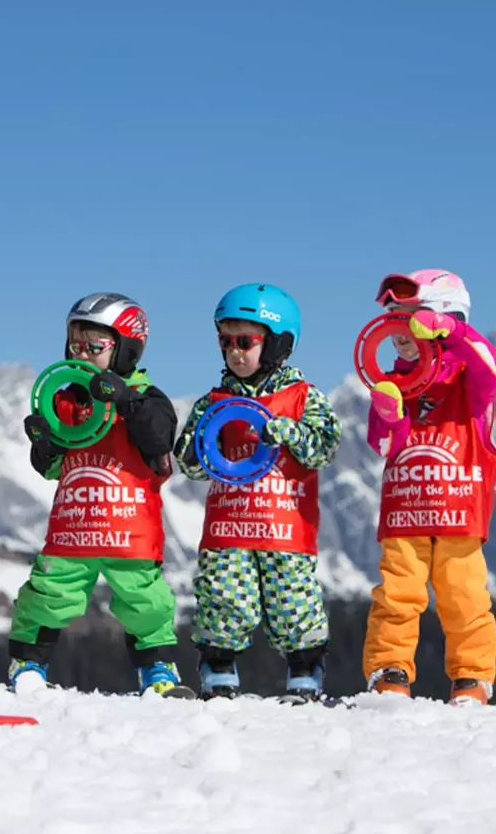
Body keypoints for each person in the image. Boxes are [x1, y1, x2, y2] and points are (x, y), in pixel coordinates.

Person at [11, 293, 192, 697]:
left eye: (95, 347)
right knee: (46, 595)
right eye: (76, 344)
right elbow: (51, 468)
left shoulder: (148, 399)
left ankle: (158, 671)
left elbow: (159, 437)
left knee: (148, 602)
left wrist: (124, 398)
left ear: (127, 349)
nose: (83, 354)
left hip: (129, 535)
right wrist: (44, 442)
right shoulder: (66, 401)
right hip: (72, 531)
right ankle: (27, 664)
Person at [173, 284, 342, 702]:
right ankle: (218, 665)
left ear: (278, 343)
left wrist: (289, 432)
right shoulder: (214, 401)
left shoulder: (303, 398)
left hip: (285, 528)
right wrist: (196, 446)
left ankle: (305, 668)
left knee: (293, 602)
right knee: (223, 597)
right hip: (229, 527)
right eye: (225, 341)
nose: (234, 351)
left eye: (245, 341)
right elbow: (189, 464)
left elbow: (325, 447)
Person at [363, 268, 496, 706]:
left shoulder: (470, 381)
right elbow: (385, 445)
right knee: (396, 595)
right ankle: (388, 669)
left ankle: (472, 676)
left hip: (460, 512)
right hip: (405, 513)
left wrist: (456, 333)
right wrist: (389, 412)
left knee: (464, 595)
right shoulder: (393, 380)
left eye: (408, 318)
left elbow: (493, 368)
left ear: (441, 316)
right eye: (392, 319)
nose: (398, 332)